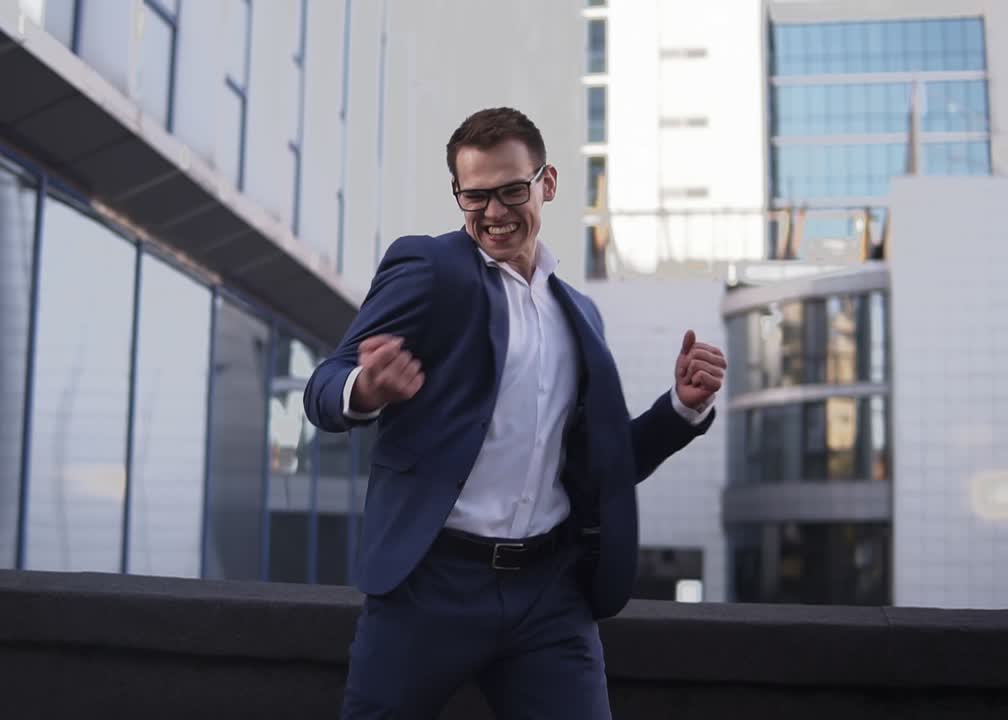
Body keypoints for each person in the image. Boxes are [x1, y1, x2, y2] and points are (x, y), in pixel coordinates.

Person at [303, 107, 727, 719]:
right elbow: (325, 385)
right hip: (430, 588)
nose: (494, 213)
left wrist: (681, 410)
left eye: (511, 191)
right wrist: (367, 389)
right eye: (475, 197)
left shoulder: (579, 313)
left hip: (548, 596)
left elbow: (596, 472)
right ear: (457, 194)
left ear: (546, 184)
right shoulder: (429, 267)